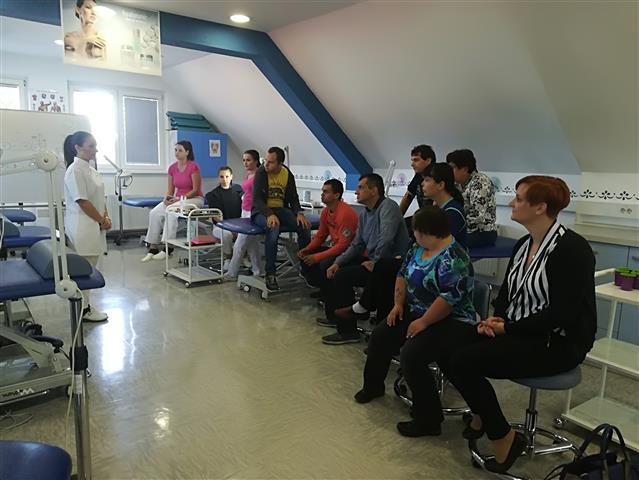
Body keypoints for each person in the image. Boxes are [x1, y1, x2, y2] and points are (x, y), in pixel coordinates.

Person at [445, 176, 596, 474]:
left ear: (540, 207)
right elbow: (508, 292)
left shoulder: (572, 249)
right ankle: (482, 412)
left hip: (558, 342)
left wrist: (508, 329)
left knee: (464, 362)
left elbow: (562, 314)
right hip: (520, 330)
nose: (511, 203)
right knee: (449, 344)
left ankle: (503, 436)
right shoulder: (525, 244)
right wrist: (497, 318)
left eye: (519, 198)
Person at [319, 173, 410, 345]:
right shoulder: (364, 214)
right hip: (375, 261)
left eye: (360, 187)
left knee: (344, 276)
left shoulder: (388, 207)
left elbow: (386, 239)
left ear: (374, 190)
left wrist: (375, 262)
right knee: (333, 267)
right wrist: (338, 262)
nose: (356, 192)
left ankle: (349, 328)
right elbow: (357, 244)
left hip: (393, 265)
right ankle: (339, 316)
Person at [63, 131, 111, 322]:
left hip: (94, 224)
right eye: (91, 146)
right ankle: (83, 310)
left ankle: (84, 307)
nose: (95, 150)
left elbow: (99, 197)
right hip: (83, 226)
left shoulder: (90, 169)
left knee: (89, 269)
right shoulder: (75, 170)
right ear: (77, 147)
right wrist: (101, 220)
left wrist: (105, 217)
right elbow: (82, 201)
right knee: (83, 271)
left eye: (95, 145)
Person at [251, 146, 311, 291]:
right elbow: (257, 199)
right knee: (273, 228)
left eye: (270, 162)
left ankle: (306, 268)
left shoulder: (287, 174)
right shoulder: (261, 173)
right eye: (266, 160)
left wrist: (299, 213)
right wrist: (269, 214)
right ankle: (270, 273)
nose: (266, 164)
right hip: (261, 211)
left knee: (304, 227)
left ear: (280, 163)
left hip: (280, 209)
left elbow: (293, 198)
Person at [141, 141, 204, 262]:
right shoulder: (172, 168)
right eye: (175, 150)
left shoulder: (193, 167)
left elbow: (196, 190)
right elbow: (170, 190)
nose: (177, 153)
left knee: (171, 212)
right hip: (178, 200)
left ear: (187, 152)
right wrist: (166, 199)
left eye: (180, 150)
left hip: (194, 199)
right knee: (154, 213)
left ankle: (168, 248)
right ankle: (153, 247)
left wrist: (180, 199)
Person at [298, 179, 358, 298]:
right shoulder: (326, 212)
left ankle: (329, 294)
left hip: (350, 252)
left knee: (324, 263)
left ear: (336, 195)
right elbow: (320, 236)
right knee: (305, 255)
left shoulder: (345, 214)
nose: (322, 194)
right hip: (337, 248)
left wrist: (317, 257)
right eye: (322, 191)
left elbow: (343, 246)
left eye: (326, 192)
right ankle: (321, 287)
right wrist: (307, 249)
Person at [447, 149, 497, 247]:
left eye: (452, 168)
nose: (449, 172)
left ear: (465, 169)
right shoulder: (458, 184)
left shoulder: (480, 182)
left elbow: (477, 216)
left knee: (444, 243)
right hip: (466, 230)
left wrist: (457, 228)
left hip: (482, 232)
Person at [226, 150, 264, 279]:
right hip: (245, 210)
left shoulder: (259, 175)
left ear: (256, 161)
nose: (245, 163)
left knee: (239, 244)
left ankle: (231, 273)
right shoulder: (248, 174)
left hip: (253, 213)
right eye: (244, 160)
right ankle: (258, 271)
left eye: (248, 160)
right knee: (252, 245)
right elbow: (247, 193)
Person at [421, 163, 467, 248]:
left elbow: (437, 244)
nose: (422, 184)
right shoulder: (437, 207)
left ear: (441, 185)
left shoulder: (453, 212)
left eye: (427, 180)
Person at [205, 166, 243, 261]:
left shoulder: (238, 192)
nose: (225, 179)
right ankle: (228, 258)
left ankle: (244, 256)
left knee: (247, 234)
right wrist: (230, 228)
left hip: (238, 225)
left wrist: (237, 229)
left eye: (227, 176)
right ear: (218, 178)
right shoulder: (213, 195)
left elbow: (243, 212)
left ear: (231, 177)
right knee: (227, 235)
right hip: (220, 227)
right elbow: (216, 217)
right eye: (221, 177)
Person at [399, 144, 436, 234]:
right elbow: (407, 198)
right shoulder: (418, 176)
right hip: (422, 218)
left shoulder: (437, 176)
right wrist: (397, 219)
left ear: (428, 161)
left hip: (434, 221)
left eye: (416, 160)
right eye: (412, 160)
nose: (412, 164)